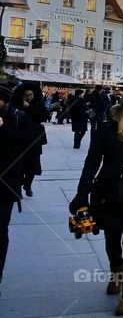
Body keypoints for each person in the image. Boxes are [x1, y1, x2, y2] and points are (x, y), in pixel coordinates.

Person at [69, 80, 123, 315]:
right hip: (108, 191)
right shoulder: (107, 129)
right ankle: (116, 272)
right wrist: (81, 194)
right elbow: (92, 162)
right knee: (111, 238)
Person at [0, 84, 32, 296]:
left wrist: (2, 129)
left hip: (4, 187)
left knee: (0, 232)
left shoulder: (19, 118)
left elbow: (28, 147)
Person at [12, 83, 46, 198]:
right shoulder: (16, 106)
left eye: (31, 95)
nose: (29, 97)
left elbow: (43, 117)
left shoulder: (38, 104)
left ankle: (28, 185)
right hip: (20, 139)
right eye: (26, 95)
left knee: (33, 166)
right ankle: (18, 188)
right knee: (20, 166)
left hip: (34, 139)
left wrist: (29, 107)